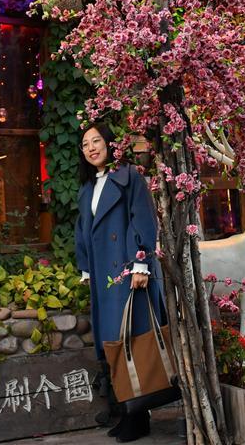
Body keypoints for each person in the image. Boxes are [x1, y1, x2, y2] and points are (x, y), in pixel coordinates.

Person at [76, 123, 164, 443]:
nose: (91, 148)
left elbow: (142, 219)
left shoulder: (129, 177)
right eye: (85, 144)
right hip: (104, 276)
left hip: (129, 273)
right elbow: (82, 231)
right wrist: (86, 268)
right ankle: (128, 412)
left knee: (131, 341)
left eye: (96, 140)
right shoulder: (87, 188)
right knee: (113, 344)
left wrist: (141, 261)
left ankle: (138, 415)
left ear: (111, 143)